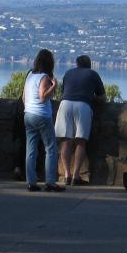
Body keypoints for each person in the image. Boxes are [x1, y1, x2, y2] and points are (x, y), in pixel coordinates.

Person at [55, 55, 105, 186]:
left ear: (77, 64)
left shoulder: (68, 73)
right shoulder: (93, 74)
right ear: (89, 64)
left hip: (65, 104)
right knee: (81, 141)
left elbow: (63, 92)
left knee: (66, 141)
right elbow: (102, 97)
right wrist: (91, 97)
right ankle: (76, 175)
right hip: (83, 105)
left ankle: (66, 174)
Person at [23, 49, 64, 192]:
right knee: (51, 148)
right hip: (42, 115)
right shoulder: (45, 77)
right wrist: (54, 86)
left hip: (28, 114)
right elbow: (42, 96)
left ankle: (31, 182)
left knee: (31, 149)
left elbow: (23, 97)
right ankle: (50, 182)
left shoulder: (29, 75)